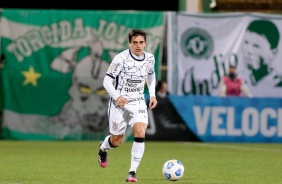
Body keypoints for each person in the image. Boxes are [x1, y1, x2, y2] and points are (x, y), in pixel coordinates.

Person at [98, 29, 158, 182]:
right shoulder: (120, 59)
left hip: (137, 101)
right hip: (119, 103)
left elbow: (151, 76)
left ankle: (132, 173)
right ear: (129, 43)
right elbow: (107, 81)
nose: (138, 46)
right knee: (117, 141)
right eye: (135, 42)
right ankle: (103, 147)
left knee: (140, 132)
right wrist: (117, 97)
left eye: (141, 42)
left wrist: (152, 94)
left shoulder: (150, 58)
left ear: (145, 43)